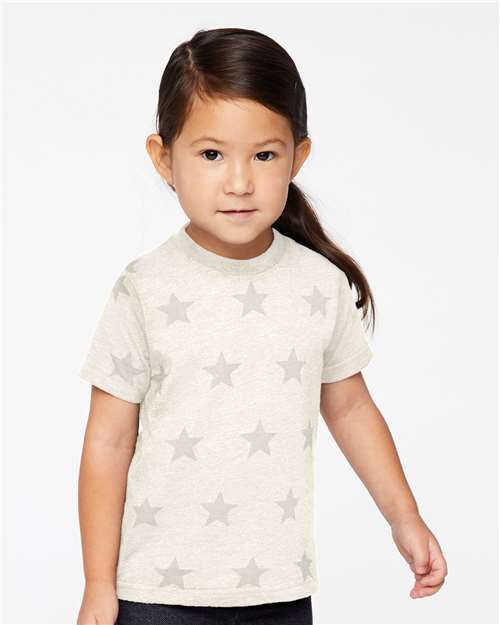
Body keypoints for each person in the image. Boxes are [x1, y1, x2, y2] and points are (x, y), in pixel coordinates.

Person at [76, 27, 447, 625]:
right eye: (212, 154)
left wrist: (405, 516)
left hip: (279, 591)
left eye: (265, 155)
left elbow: (352, 409)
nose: (240, 182)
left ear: (298, 157)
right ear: (164, 158)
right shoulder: (144, 289)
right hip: (158, 593)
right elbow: (108, 441)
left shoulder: (318, 285)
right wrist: (98, 583)